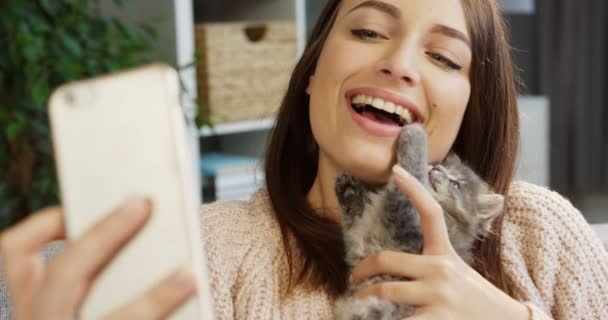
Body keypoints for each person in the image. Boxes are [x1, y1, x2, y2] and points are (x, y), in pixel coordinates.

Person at [1, 0, 607, 319]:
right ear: (313, 76)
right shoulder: (214, 253)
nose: (400, 63)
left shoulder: (535, 234)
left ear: (468, 111)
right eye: (368, 31)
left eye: (445, 59)